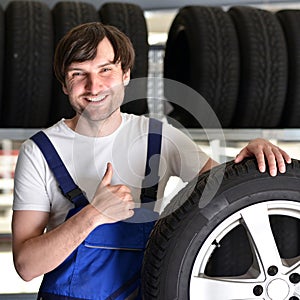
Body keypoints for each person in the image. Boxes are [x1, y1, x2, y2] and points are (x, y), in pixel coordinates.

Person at [11, 22, 291, 300]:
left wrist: (253, 154)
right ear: (64, 84)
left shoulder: (159, 138)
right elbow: (26, 266)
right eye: (78, 73)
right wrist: (92, 215)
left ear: (126, 75)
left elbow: (230, 193)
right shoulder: (39, 151)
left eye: (105, 70)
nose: (93, 86)